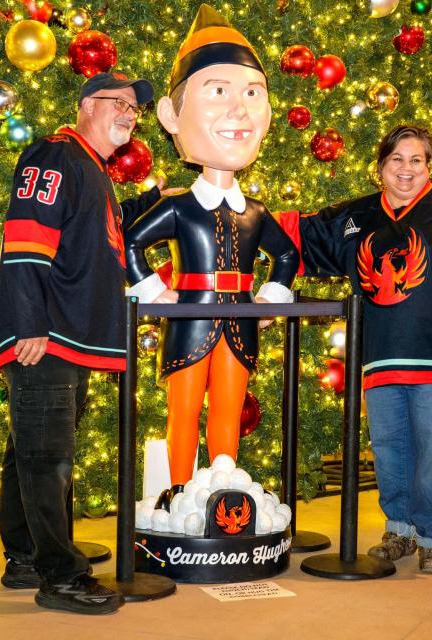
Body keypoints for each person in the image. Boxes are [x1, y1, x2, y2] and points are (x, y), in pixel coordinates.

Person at [276, 124, 432, 573]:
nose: (406, 169)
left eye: (416, 160)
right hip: (379, 353)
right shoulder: (357, 216)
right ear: (381, 168)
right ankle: (398, 530)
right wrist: (241, 208)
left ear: (429, 168)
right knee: (390, 447)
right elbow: (299, 232)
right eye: (397, 160)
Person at [0, 72, 167, 614]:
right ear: (89, 105)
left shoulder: (91, 168)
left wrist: (157, 198)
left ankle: (24, 557)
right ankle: (61, 577)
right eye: (122, 103)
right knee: (48, 459)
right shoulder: (56, 155)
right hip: (47, 335)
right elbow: (24, 239)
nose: (131, 114)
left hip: (65, 334)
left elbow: (100, 234)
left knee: (28, 450)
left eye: (136, 109)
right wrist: (29, 324)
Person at [124, 5, 298, 492]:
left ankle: (222, 488)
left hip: (240, 321)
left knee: (228, 406)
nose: (239, 109)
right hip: (190, 319)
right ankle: (180, 492)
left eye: (251, 93)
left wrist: (271, 297)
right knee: (182, 410)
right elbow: (133, 240)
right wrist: (152, 292)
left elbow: (286, 256)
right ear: (171, 116)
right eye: (218, 91)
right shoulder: (180, 206)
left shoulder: (255, 211)